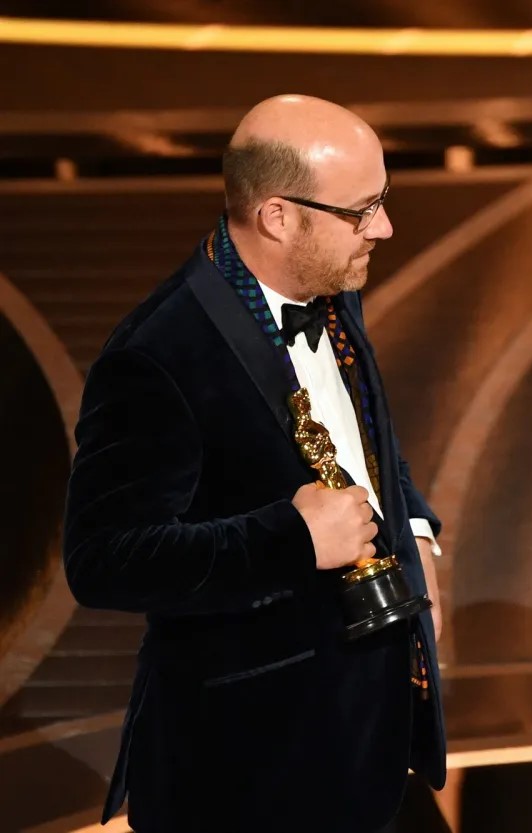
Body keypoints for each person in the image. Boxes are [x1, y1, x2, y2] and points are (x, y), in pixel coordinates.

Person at [63, 95, 446, 833]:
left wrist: (416, 523)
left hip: (370, 746)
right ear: (278, 215)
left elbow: (362, 435)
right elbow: (104, 558)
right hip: (248, 774)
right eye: (363, 209)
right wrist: (293, 541)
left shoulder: (332, 288)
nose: (385, 227)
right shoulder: (156, 354)